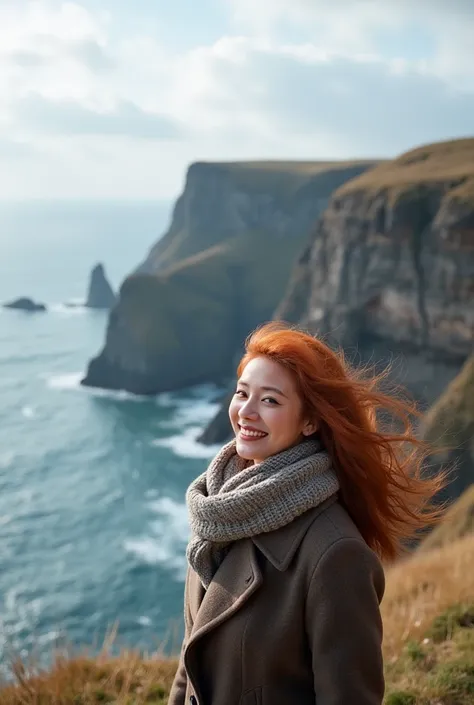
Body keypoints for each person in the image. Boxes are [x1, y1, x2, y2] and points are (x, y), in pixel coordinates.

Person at [168, 321, 445, 705]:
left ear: (311, 421)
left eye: (270, 401)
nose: (246, 412)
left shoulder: (335, 554)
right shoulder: (219, 509)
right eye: (241, 393)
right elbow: (192, 659)